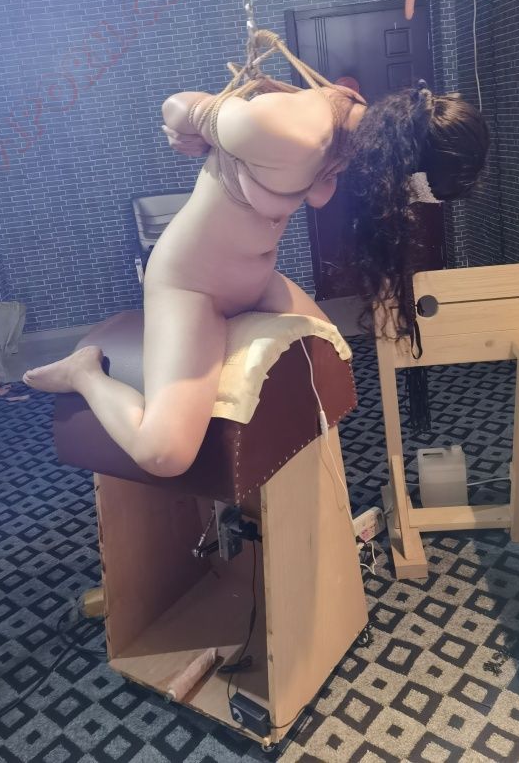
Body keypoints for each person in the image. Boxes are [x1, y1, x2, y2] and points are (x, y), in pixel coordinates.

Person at [24, 77, 489, 477]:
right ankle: (84, 372)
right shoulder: (292, 133)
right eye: (409, 191)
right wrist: (187, 128)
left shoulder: (358, 128)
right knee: (164, 455)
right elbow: (178, 107)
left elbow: (312, 186)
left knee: (330, 360)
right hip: (193, 286)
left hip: (258, 280)